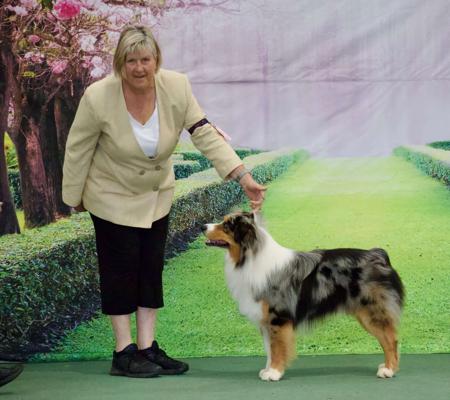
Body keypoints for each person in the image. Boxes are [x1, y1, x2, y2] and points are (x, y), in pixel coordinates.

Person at [62, 24, 266, 378]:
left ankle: (147, 347)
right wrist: (74, 197)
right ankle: (123, 352)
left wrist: (243, 177)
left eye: (146, 59)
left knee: (150, 270)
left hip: (156, 196)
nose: (139, 68)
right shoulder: (98, 96)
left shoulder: (177, 86)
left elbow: (204, 133)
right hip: (111, 194)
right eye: (131, 61)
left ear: (156, 59)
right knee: (120, 271)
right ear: (119, 63)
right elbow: (78, 148)